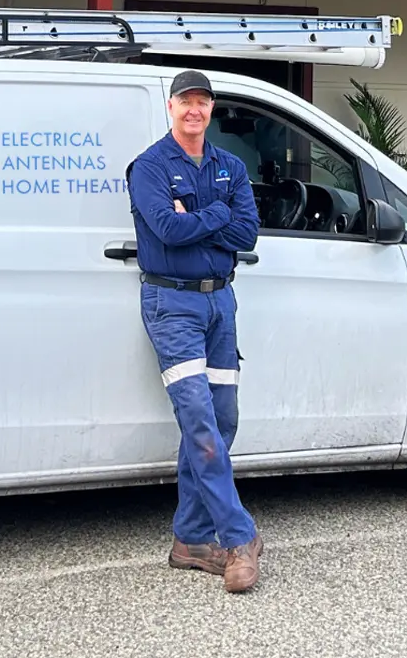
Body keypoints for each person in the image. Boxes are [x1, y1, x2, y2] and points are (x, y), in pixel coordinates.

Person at [127, 69, 263, 593]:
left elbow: (248, 231)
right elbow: (166, 228)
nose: (194, 110)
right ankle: (237, 535)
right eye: (186, 100)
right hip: (172, 303)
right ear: (171, 106)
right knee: (200, 421)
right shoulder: (150, 166)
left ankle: (188, 539)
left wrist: (198, 216)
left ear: (211, 109)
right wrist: (217, 216)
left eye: (202, 102)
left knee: (222, 419)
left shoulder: (230, 165)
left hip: (220, 304)